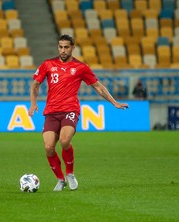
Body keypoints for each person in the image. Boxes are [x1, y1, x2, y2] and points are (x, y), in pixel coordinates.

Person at [28, 34, 129, 192]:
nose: (63, 50)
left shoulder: (81, 67)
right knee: (48, 147)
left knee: (64, 141)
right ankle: (60, 179)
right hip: (51, 112)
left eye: (66, 47)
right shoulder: (48, 64)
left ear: (73, 48)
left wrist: (114, 102)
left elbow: (98, 86)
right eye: (60, 46)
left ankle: (70, 174)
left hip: (70, 109)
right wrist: (33, 104)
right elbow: (35, 85)